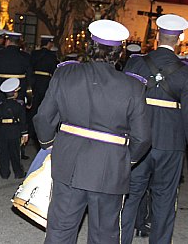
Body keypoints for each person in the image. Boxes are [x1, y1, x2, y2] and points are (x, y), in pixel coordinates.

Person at [34, 19, 151, 243]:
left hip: (69, 162)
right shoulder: (134, 87)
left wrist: (48, 144)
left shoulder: (65, 74)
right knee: (104, 234)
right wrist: (127, 160)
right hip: (110, 167)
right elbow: (143, 137)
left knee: (60, 230)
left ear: (89, 47)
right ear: (119, 54)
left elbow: (43, 117)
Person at [120, 14, 188, 244]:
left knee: (130, 197)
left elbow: (122, 102)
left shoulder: (136, 63)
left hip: (138, 141)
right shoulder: (187, 73)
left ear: (157, 36)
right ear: (179, 39)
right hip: (170, 145)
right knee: (165, 200)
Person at [0, 31, 31, 159]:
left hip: (0, 93)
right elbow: (30, 77)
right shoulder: (25, 57)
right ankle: (20, 151)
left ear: (7, 41)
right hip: (18, 93)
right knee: (20, 121)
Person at [0, 78, 27, 179]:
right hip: (14, 131)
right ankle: (18, 173)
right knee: (15, 153)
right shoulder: (19, 105)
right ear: (14, 93)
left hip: (3, 132)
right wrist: (25, 133)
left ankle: (4, 173)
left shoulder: (0, 105)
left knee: (4, 153)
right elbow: (23, 120)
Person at [28, 35, 58, 146]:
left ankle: (29, 130)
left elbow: (30, 66)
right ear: (49, 44)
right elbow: (54, 71)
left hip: (34, 83)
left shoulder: (35, 54)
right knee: (43, 109)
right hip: (45, 84)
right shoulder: (52, 56)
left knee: (32, 108)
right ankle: (38, 134)